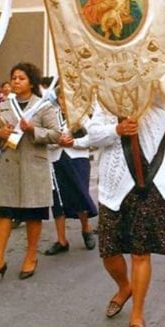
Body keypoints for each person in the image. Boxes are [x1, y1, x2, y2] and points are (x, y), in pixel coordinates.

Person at [87, 96, 165, 327]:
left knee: (140, 252)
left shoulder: (157, 96)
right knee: (109, 250)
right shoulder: (106, 98)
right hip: (114, 185)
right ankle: (124, 287)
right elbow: (93, 134)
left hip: (150, 180)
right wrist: (116, 129)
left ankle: (137, 312)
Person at [0, 63, 60, 281]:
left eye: (21, 78)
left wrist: (33, 130)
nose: (16, 82)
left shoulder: (43, 106)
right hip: (9, 166)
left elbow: (56, 134)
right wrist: (1, 133)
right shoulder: (5, 105)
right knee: (4, 214)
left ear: (31, 82)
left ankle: (31, 256)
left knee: (33, 215)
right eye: (14, 78)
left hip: (33, 167)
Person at [44, 106, 99, 254]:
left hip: (77, 158)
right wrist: (57, 142)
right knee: (57, 199)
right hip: (55, 159)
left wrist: (74, 142)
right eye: (61, 96)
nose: (64, 100)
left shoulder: (81, 114)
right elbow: (43, 137)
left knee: (80, 193)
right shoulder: (49, 114)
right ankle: (61, 240)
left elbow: (93, 137)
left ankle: (86, 229)